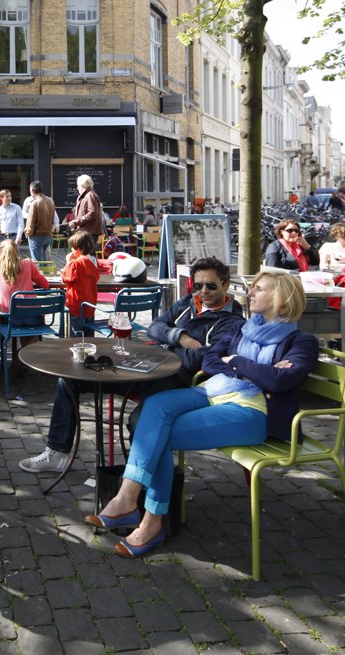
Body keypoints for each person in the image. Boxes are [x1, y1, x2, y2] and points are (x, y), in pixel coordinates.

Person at [87, 270, 319, 558]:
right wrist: (251, 369)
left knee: (161, 433)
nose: (251, 293)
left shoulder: (302, 342)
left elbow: (279, 381)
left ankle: (150, 521)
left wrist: (234, 360)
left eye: (260, 289)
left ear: (282, 300)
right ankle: (127, 498)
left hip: (252, 412)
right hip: (212, 391)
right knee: (156, 406)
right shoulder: (241, 329)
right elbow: (210, 361)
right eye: (253, 288)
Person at [20, 255, 244, 475]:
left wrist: (165, 346)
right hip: (146, 364)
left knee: (140, 421)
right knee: (70, 379)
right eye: (198, 285)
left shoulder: (231, 322)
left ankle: (137, 476)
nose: (203, 291)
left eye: (211, 285)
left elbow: (200, 359)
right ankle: (57, 452)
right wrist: (180, 338)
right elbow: (154, 327)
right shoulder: (188, 302)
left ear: (225, 285)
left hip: (177, 380)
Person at [0, 239, 49, 315]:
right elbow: (45, 284)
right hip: (31, 316)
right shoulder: (28, 264)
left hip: (8, 317)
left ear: (1, 252)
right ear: (17, 251)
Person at [61, 232, 100, 336]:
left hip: (77, 307)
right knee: (88, 336)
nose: (72, 251)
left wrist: (68, 262)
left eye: (72, 248)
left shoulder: (75, 263)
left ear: (79, 248)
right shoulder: (92, 262)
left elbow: (66, 278)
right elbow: (96, 278)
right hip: (90, 306)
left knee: (76, 337)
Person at [24, 181, 57, 262]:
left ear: (32, 190)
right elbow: (53, 216)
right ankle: (45, 274)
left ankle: (39, 274)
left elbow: (30, 222)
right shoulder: (50, 201)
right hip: (48, 235)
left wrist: (27, 233)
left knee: (37, 262)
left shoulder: (34, 203)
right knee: (44, 260)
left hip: (36, 235)